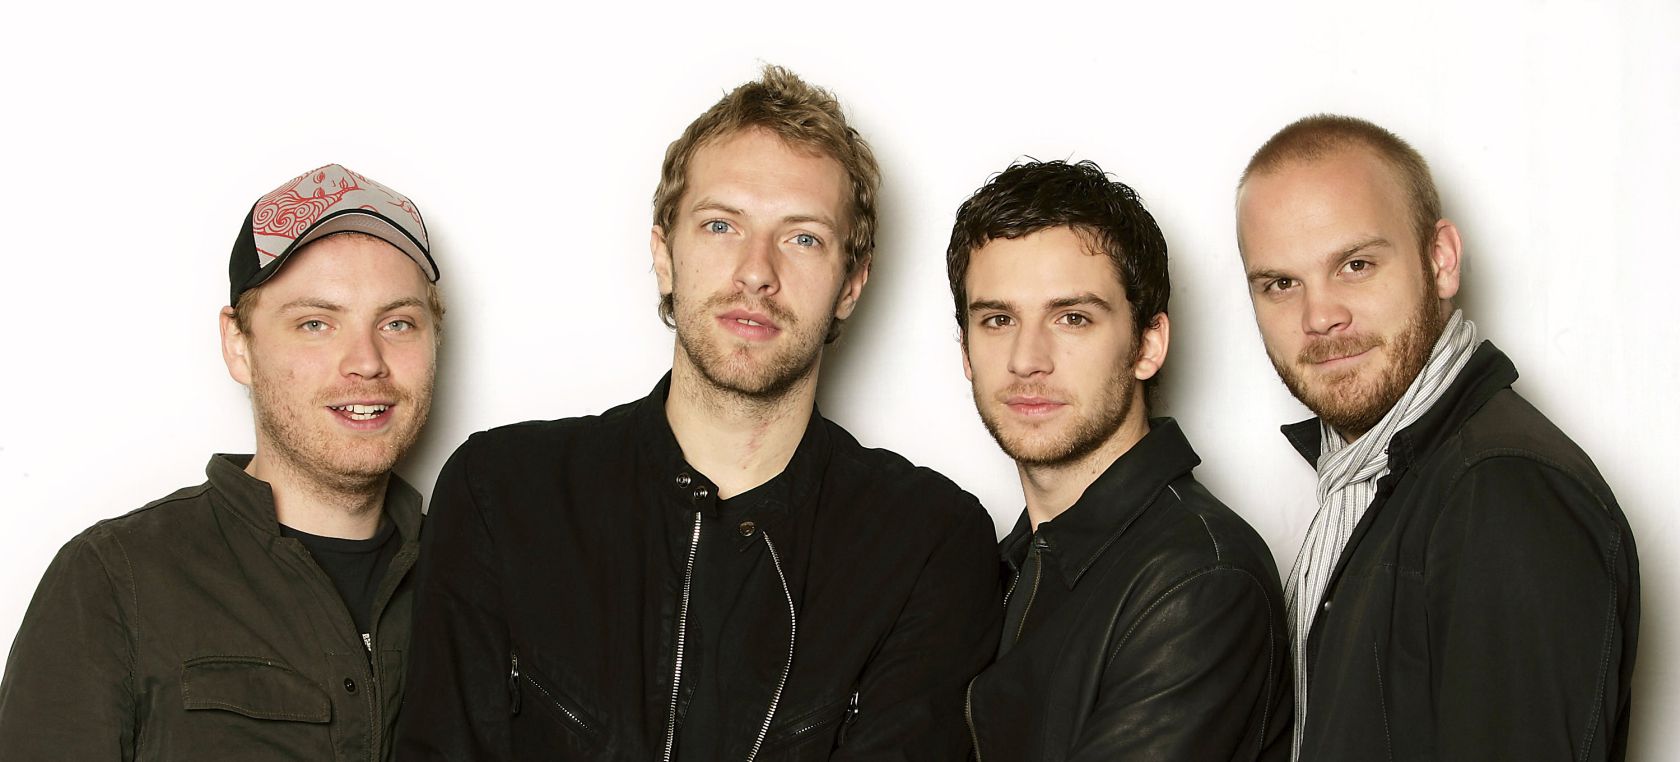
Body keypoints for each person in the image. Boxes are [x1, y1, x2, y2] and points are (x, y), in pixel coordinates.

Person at [398, 65, 1001, 760]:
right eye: (721, 225)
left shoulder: (928, 544)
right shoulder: (502, 493)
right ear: (664, 254)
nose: (756, 271)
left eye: (803, 237)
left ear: (850, 284)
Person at [0, 164, 444, 761]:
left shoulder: (479, 579)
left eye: (397, 323)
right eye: (316, 323)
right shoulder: (115, 581)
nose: (366, 361)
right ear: (238, 344)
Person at [1235, 114, 1640, 761]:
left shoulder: (1503, 490)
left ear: (1441, 260)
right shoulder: (1372, 479)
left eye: (1356, 264)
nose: (1320, 316)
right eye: (1281, 283)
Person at [952, 159, 1290, 760]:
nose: (1027, 359)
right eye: (998, 320)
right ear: (966, 352)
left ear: (1147, 345)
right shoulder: (1009, 562)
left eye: (1072, 318)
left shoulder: (1200, 581)